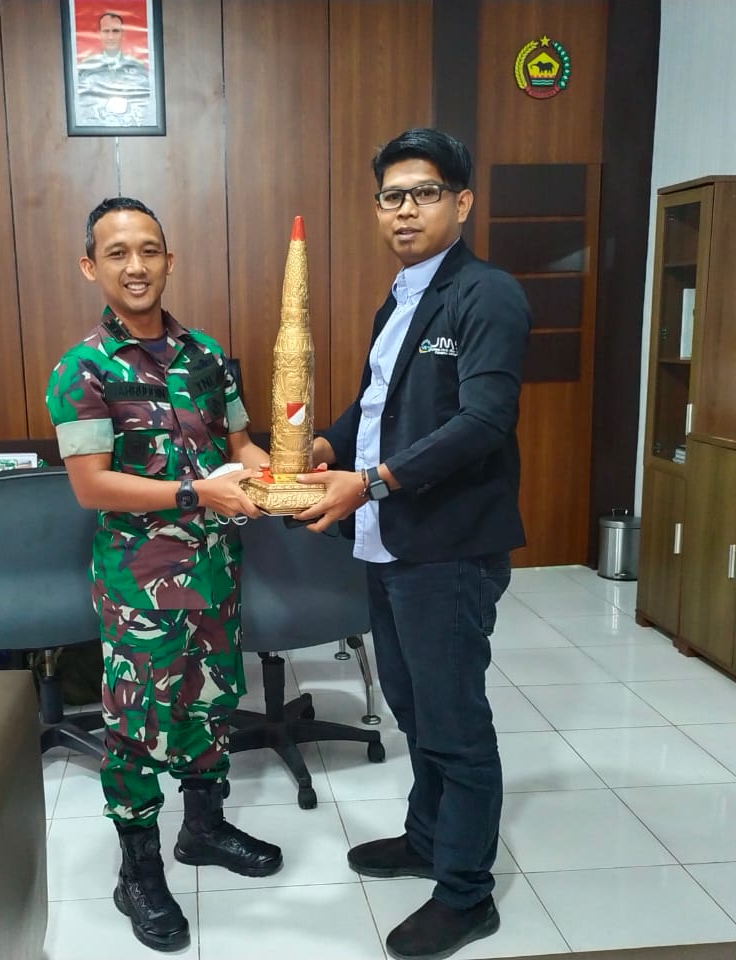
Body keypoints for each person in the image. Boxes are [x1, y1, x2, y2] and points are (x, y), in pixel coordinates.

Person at [294, 128, 530, 960]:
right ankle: (428, 838)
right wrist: (328, 445)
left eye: (424, 193)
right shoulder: (399, 297)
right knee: (412, 706)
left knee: (455, 721)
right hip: (389, 543)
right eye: (391, 196)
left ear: (461, 203)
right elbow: (375, 402)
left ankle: (466, 894)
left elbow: (483, 421)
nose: (404, 210)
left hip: (448, 548)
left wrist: (373, 480)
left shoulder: (487, 295)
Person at [45, 197, 281, 953]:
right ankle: (138, 872)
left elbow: (240, 445)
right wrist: (197, 493)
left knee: (212, 700)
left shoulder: (206, 353)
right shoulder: (83, 369)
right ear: (91, 267)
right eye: (117, 253)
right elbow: (92, 486)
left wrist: (272, 473)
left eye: (149, 250)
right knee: (138, 723)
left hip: (214, 569)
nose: (136, 265)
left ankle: (204, 829)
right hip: (140, 583)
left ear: (170, 260)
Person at [75, 11, 152, 127]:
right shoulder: (86, 68)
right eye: (106, 31)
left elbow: (146, 106)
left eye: (115, 31)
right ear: (99, 34)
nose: (111, 37)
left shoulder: (138, 68)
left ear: (122, 34)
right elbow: (81, 107)